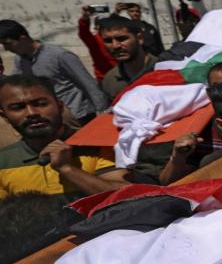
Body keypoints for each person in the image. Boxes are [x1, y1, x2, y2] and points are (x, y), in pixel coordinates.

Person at [0, 74, 130, 198]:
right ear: (5, 116)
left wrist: (67, 169)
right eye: (18, 107)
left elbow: (128, 196)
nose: (32, 113)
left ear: (60, 106)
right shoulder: (4, 160)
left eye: (41, 104)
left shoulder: (99, 146)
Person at [0, 20, 110, 124]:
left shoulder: (60, 55)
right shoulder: (20, 60)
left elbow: (89, 85)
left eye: (8, 44)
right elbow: (18, 84)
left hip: (77, 116)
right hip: (50, 118)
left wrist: (103, 113)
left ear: (23, 39)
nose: (6, 49)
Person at [99, 16, 157, 102]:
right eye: (108, 41)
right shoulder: (110, 80)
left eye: (122, 39)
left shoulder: (164, 69)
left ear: (140, 38)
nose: (115, 46)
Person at [77, 8, 116, 82]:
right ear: (96, 27)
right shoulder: (94, 40)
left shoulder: (117, 37)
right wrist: (84, 18)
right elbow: (84, 33)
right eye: (100, 24)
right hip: (105, 78)